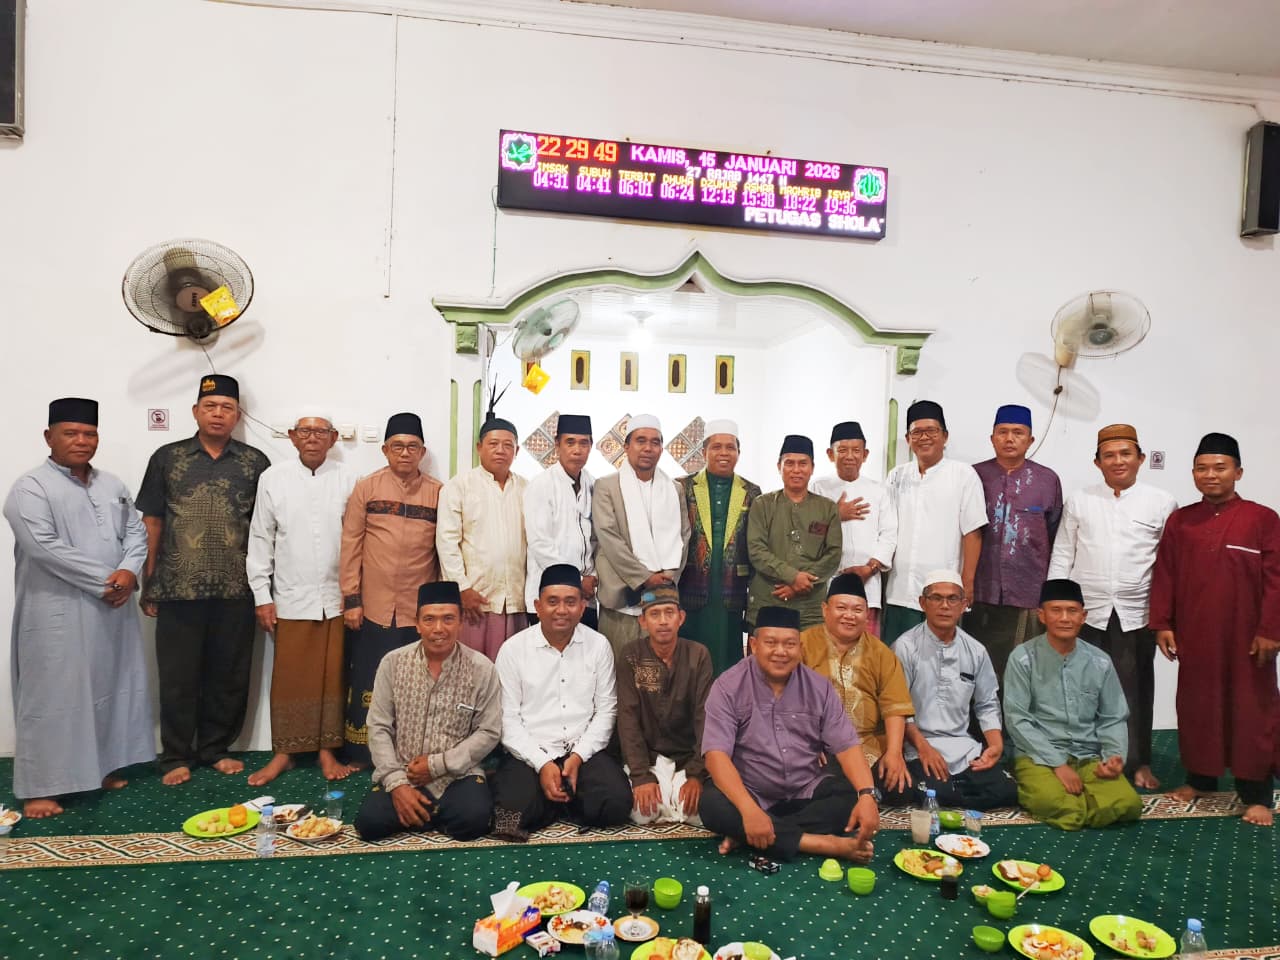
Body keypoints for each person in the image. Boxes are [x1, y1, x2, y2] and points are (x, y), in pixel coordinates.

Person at [4, 399, 153, 818]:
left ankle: (96, 771)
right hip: (57, 611)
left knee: (104, 688)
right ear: (48, 437)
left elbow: (136, 533)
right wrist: (110, 580)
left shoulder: (112, 485)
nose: (81, 441)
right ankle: (40, 788)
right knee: (51, 695)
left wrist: (129, 570)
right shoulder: (30, 488)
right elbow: (43, 546)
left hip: (110, 608)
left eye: (89, 433)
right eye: (70, 433)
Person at [137, 375, 270, 786]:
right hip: (178, 588)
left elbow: (265, 528)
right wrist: (149, 578)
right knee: (178, 677)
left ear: (237, 415)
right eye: (210, 406)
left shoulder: (255, 462)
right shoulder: (167, 458)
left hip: (236, 588)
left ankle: (215, 748)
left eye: (226, 407)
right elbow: (152, 521)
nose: (218, 414)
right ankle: (176, 754)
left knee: (229, 675)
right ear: (195, 411)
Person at [1150, 432, 1280, 827]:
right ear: (1193, 473)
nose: (1210, 475)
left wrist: (1271, 630)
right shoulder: (1182, 521)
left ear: (1238, 472)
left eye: (1220, 468)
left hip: (1248, 639)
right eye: (1202, 468)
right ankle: (1201, 780)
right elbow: (1165, 574)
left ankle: (1256, 793)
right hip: (1196, 634)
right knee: (1197, 706)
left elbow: (1276, 580)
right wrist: (1162, 623)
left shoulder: (1262, 519)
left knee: (1252, 710)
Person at [1048, 423, 1176, 790]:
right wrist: (1055, 606)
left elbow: (1169, 565)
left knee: (1134, 690)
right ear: (1097, 462)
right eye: (1109, 455)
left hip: (1136, 613)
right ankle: (1085, 759)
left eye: (1125, 454)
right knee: (1080, 688)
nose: (1118, 461)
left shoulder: (1161, 502)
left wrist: (1166, 618)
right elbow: (1063, 554)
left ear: (1140, 458)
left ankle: (1137, 762)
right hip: (1086, 612)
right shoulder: (1080, 500)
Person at [700, 606, 880, 862]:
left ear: (800, 647)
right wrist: (749, 810)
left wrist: (867, 795)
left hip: (803, 789)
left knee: (850, 796)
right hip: (751, 792)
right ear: (754, 645)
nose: (781, 652)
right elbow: (715, 756)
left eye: (789, 644)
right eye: (771, 643)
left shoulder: (819, 687)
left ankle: (755, 835)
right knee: (712, 805)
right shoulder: (728, 686)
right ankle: (821, 844)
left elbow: (847, 746)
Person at [245, 410, 358, 786]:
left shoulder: (348, 479)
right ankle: (285, 752)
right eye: (305, 431)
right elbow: (261, 537)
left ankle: (328, 750)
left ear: (334, 438)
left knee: (333, 676)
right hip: (290, 596)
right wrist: (261, 595)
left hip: (337, 597)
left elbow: (357, 539)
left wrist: (354, 594)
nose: (312, 437)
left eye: (321, 432)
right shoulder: (273, 478)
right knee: (290, 677)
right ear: (292, 437)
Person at [490, 564, 632, 838]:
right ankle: (559, 799)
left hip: (581, 751)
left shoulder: (598, 645)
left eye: (570, 602)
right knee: (507, 819)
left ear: (582, 607)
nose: (561, 610)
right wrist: (543, 764)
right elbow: (507, 720)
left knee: (617, 804)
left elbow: (606, 711)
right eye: (552, 602)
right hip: (530, 753)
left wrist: (577, 758)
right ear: (537, 606)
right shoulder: (513, 650)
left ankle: (552, 801)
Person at [353, 581, 501, 842]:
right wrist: (397, 784)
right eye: (429, 619)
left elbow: (489, 731)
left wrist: (437, 765)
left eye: (448, 619)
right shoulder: (393, 663)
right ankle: (429, 812)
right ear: (417, 624)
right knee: (369, 823)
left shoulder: (481, 668)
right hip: (404, 771)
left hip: (457, 774)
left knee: (474, 819)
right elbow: (378, 727)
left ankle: (419, 816)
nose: (438, 629)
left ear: (460, 622)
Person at [339, 412, 443, 767]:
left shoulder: (437, 492)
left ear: (422, 452)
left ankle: (409, 751)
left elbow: (442, 551)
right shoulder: (367, 488)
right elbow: (350, 545)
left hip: (417, 609)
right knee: (368, 678)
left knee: (414, 683)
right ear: (385, 450)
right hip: (373, 605)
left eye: (412, 447)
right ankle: (362, 753)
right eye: (397, 446)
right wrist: (352, 599)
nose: (405, 453)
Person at [1004, 578, 1142, 831]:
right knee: (1059, 806)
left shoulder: (1100, 661)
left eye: (1072, 611)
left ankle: (1085, 798)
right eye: (1056, 610)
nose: (1065, 618)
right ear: (1042, 615)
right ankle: (1082, 801)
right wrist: (1058, 765)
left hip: (1087, 755)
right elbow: (1017, 720)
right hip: (1038, 756)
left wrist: (1113, 758)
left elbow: (1113, 717)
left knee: (1128, 804)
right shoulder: (1023, 658)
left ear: (1083, 616)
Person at [889, 570, 1018, 810]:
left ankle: (951, 788)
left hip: (963, 748)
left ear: (964, 604)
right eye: (936, 598)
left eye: (952, 599)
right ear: (922, 603)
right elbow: (897, 709)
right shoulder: (905, 647)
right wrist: (924, 749)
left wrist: (995, 746)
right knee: (936, 792)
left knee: (1006, 790)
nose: (944, 606)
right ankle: (951, 789)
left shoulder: (976, 650)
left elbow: (987, 704)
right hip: (918, 745)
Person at [968, 404, 1062, 683]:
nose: (1010, 438)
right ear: (992, 438)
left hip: (1028, 593)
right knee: (977, 669)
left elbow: (1055, 535)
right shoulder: (973, 476)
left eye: (1018, 433)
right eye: (1003, 432)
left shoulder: (1047, 480)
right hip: (980, 591)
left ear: (1030, 440)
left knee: (1023, 672)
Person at [800, 574, 914, 798]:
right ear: (825, 610)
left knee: (903, 789)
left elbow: (895, 708)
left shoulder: (881, 653)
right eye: (841, 608)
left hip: (868, 747)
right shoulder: (803, 645)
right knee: (818, 784)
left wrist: (894, 754)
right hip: (818, 747)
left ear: (867, 614)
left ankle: (855, 792)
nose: (849, 616)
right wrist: (806, 740)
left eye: (857, 610)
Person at [882, 400, 986, 644]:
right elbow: (886, 526)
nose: (924, 437)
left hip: (944, 593)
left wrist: (968, 582)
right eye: (916, 432)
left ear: (945, 436)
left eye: (931, 431)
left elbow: (972, 531)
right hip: (900, 589)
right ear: (908, 439)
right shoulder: (897, 476)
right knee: (896, 657)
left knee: (941, 658)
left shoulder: (963, 475)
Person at [616, 585, 713, 825]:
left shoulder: (698, 655)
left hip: (686, 759)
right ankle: (663, 795)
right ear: (643, 621)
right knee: (643, 813)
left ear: (681, 618)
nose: (663, 621)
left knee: (699, 812)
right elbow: (628, 719)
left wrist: (696, 774)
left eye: (669, 613)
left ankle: (676, 795)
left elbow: (705, 718)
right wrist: (640, 776)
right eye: (654, 614)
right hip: (648, 760)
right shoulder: (631, 655)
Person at [593, 415, 690, 655]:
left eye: (655, 442)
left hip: (661, 599)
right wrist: (644, 577)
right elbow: (608, 537)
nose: (648, 448)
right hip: (620, 599)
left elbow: (684, 536)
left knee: (659, 667)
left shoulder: (674, 489)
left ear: (661, 449)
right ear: (626, 446)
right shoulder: (607, 486)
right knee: (618, 666)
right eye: (640, 441)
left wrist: (668, 576)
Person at [437, 417, 528, 660]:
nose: (500, 450)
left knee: (511, 670)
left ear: (517, 451)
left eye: (508, 445)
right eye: (493, 444)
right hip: (475, 600)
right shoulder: (459, 486)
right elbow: (446, 542)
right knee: (471, 670)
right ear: (479, 447)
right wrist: (461, 588)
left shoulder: (526, 489)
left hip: (516, 601)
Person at [678, 419, 761, 674]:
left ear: (738, 452)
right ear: (704, 452)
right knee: (689, 661)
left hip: (731, 591)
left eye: (730, 447)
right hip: (690, 589)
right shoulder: (683, 487)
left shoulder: (751, 491)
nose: (723, 453)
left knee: (727, 661)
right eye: (716, 447)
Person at [746, 435, 842, 630]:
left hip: (810, 606)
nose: (796, 470)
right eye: (789, 463)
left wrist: (801, 583)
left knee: (809, 649)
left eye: (803, 463)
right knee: (764, 649)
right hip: (768, 598)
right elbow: (756, 550)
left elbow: (833, 555)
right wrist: (792, 576)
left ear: (812, 468)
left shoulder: (827, 508)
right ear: (779, 466)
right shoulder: (762, 504)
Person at [812, 421, 897, 639]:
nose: (849, 456)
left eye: (856, 450)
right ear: (830, 454)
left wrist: (870, 568)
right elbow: (809, 532)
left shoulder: (879, 490)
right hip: (828, 583)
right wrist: (836, 515)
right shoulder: (818, 487)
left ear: (865, 455)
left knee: (865, 650)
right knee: (828, 648)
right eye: (842, 450)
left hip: (868, 584)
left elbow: (889, 535)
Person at [523, 413, 598, 630]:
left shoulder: (593, 485)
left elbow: (596, 540)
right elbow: (540, 543)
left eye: (584, 443)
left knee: (585, 651)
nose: (577, 450)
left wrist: (592, 578)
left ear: (591, 446)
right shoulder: (541, 485)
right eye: (570, 442)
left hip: (585, 599)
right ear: (557, 445)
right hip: (550, 595)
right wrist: (576, 580)